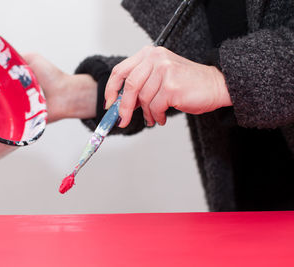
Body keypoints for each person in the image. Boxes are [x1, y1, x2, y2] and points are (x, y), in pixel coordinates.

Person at [23, 0, 294, 211]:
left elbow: (213, 78)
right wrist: (74, 95)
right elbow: (192, 74)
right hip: (252, 214)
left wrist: (221, 79)